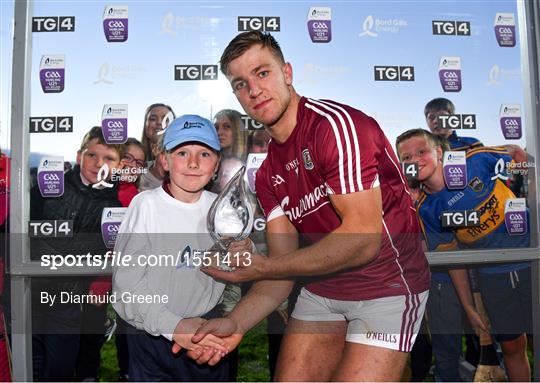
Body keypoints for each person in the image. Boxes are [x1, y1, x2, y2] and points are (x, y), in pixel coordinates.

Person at [186, 31, 430, 381]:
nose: (253, 90)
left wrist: (259, 267)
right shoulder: (268, 171)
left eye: (262, 73)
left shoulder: (335, 127)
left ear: (287, 73)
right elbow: (280, 274)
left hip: (387, 285)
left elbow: (362, 240)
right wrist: (235, 321)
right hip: (323, 287)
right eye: (240, 83)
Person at [112, 115, 252, 382]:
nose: (193, 162)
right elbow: (126, 288)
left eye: (204, 153)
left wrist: (243, 252)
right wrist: (173, 326)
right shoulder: (146, 205)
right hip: (152, 335)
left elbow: (240, 268)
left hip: (207, 330)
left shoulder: (224, 209)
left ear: (216, 165)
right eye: (182, 152)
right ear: (164, 160)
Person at [396, 129, 532, 382]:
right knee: (513, 346)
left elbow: (516, 154)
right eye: (406, 158)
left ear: (438, 152)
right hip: (493, 276)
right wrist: (469, 308)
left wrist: (528, 192)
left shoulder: (474, 161)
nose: (414, 160)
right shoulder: (426, 207)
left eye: (421, 151)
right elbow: (452, 259)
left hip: (531, 261)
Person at [30, 126, 124, 381]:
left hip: (68, 302)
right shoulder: (48, 187)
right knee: (28, 366)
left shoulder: (115, 208)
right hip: (27, 293)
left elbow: (105, 252)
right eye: (92, 155)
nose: (98, 163)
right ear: (79, 155)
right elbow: (22, 232)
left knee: (60, 368)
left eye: (109, 158)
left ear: (118, 166)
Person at [138, 103, 176, 192]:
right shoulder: (134, 169)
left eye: (166, 119)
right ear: (146, 126)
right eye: (153, 119)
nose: (159, 123)